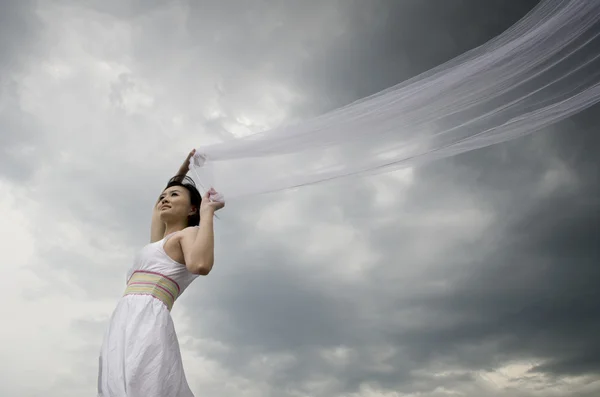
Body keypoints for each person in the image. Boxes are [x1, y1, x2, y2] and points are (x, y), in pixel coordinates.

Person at [97, 149, 225, 397]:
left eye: (173, 195)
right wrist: (183, 169)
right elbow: (160, 203)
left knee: (144, 384)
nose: (164, 199)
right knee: (116, 387)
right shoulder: (155, 243)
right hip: (122, 321)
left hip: (148, 319)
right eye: (162, 196)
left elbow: (200, 265)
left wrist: (207, 212)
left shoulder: (188, 234)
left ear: (191, 209)